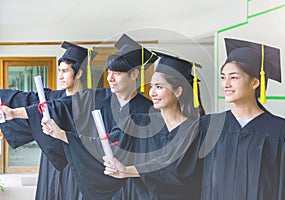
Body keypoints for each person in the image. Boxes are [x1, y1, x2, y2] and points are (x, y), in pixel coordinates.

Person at [1, 34, 158, 200]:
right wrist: (13, 113)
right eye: (109, 72)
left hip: (128, 182)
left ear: (134, 75)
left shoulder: (148, 111)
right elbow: (59, 106)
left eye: (117, 73)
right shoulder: (99, 97)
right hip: (94, 172)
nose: (110, 78)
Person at [196, 38, 285, 199]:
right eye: (223, 77)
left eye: (234, 77)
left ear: (255, 82)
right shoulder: (209, 126)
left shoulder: (282, 132)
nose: (226, 84)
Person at [0, 41, 104, 200]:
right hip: (51, 165)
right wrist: (9, 109)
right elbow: (27, 101)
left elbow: (62, 109)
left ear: (80, 73)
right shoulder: (53, 97)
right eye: (59, 71)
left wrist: (16, 113)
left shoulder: (93, 100)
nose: (60, 76)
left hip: (77, 163)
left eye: (65, 71)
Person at [102, 51, 206, 199]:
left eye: (159, 87)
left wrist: (128, 170)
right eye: (151, 86)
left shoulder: (195, 130)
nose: (152, 93)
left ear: (178, 91)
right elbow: (115, 143)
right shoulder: (139, 123)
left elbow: (172, 169)